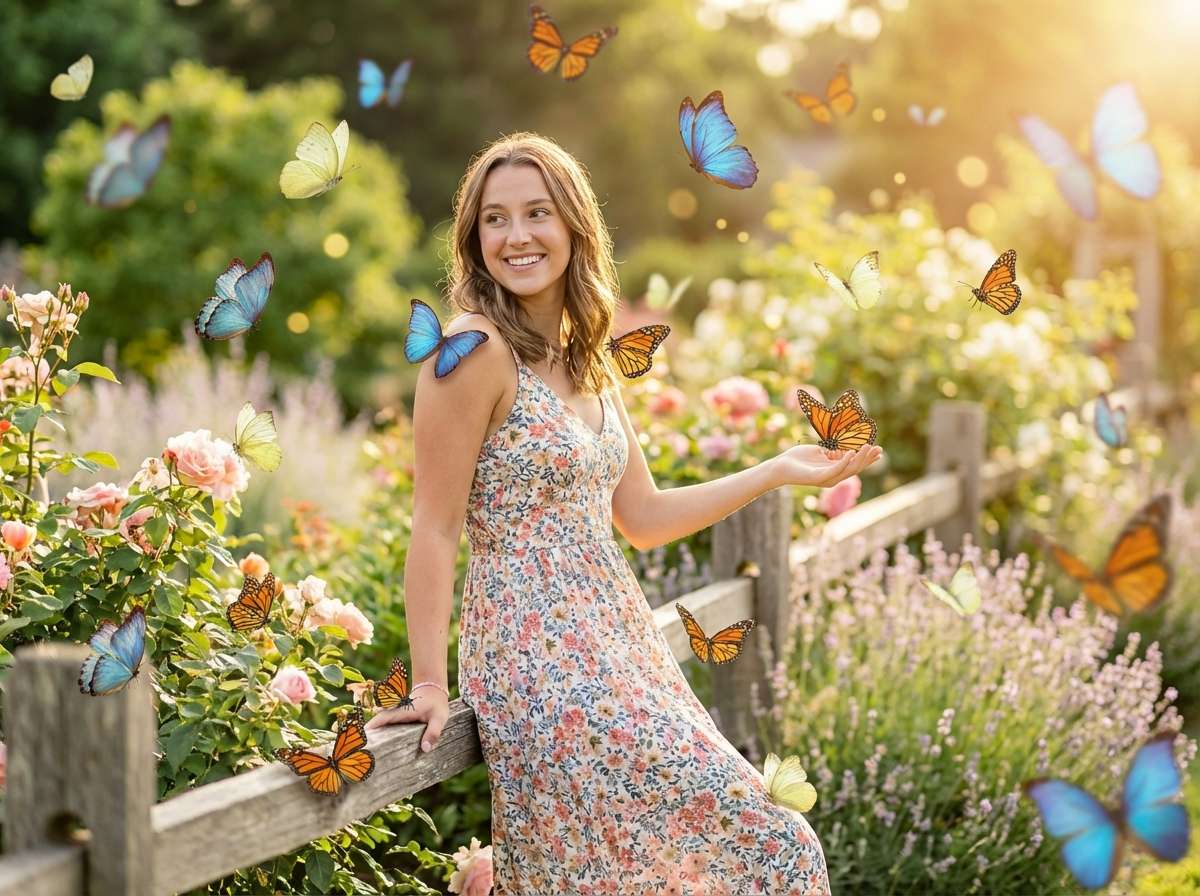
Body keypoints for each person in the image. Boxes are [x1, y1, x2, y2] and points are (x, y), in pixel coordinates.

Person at [366, 131, 880, 895]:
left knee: (659, 868)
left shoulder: (587, 360)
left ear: (575, 226)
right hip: (537, 659)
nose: (517, 236)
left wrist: (774, 471)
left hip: (621, 647)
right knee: (777, 846)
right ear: (474, 240)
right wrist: (432, 686)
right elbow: (435, 528)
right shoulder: (470, 353)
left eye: (537, 212)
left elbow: (641, 515)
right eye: (495, 219)